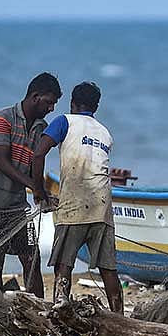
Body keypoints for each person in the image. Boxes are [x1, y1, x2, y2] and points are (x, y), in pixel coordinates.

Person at [33, 81, 123, 313]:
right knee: (108, 269)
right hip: (102, 206)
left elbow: (39, 153)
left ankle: (59, 312)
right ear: (96, 107)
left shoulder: (64, 121)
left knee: (64, 266)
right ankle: (121, 317)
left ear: (72, 103)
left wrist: (39, 191)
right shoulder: (105, 133)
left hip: (74, 204)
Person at [0, 72, 62, 297]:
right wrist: (35, 187)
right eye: (49, 102)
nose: (52, 108)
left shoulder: (42, 127)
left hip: (16, 205)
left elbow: (34, 166)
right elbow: (3, 162)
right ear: (34, 96)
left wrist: (41, 194)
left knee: (31, 257)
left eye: (54, 104)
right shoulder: (1, 119)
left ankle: (40, 311)